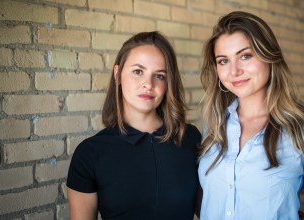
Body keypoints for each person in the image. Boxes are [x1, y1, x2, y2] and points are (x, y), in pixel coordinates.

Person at [198, 11, 304, 220]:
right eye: (223, 61)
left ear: (269, 56)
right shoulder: (212, 127)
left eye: (245, 56)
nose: (234, 71)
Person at [66, 31, 202, 220]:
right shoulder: (90, 153)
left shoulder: (190, 138)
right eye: (138, 72)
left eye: (160, 75)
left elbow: (212, 210)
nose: (148, 84)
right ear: (117, 74)